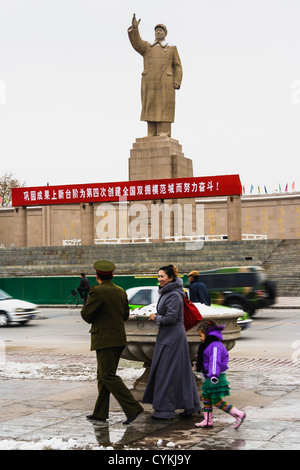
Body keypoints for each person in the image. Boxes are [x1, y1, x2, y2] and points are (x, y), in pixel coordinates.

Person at [81, 260, 143, 425]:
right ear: (112, 275)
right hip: (118, 339)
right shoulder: (120, 291)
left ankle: (133, 408)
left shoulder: (97, 291)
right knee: (103, 376)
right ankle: (100, 413)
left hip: (104, 339)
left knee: (107, 376)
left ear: (97, 276)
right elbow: (124, 315)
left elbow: (86, 315)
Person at [142, 264, 201, 419]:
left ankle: (165, 410)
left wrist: (156, 317)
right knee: (181, 372)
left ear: (171, 278)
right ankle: (192, 406)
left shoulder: (173, 294)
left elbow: (171, 318)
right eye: (158, 276)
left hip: (172, 338)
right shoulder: (169, 292)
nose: (159, 279)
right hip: (170, 336)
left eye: (162, 276)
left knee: (166, 372)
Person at [128, 13, 183, 137]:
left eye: (160, 30)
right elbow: (137, 44)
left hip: (165, 81)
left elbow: (178, 65)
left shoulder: (171, 48)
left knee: (164, 105)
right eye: (156, 30)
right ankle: (151, 132)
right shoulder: (148, 47)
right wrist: (135, 29)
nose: (158, 32)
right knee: (150, 105)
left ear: (165, 33)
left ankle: (164, 131)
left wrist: (177, 81)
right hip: (150, 81)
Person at [195, 320, 246, 428]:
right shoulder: (210, 345)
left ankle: (238, 413)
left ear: (207, 334)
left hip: (215, 377)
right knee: (206, 396)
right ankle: (207, 420)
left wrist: (213, 375)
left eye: (201, 335)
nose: (200, 338)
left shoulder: (215, 346)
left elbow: (215, 361)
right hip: (211, 376)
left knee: (216, 401)